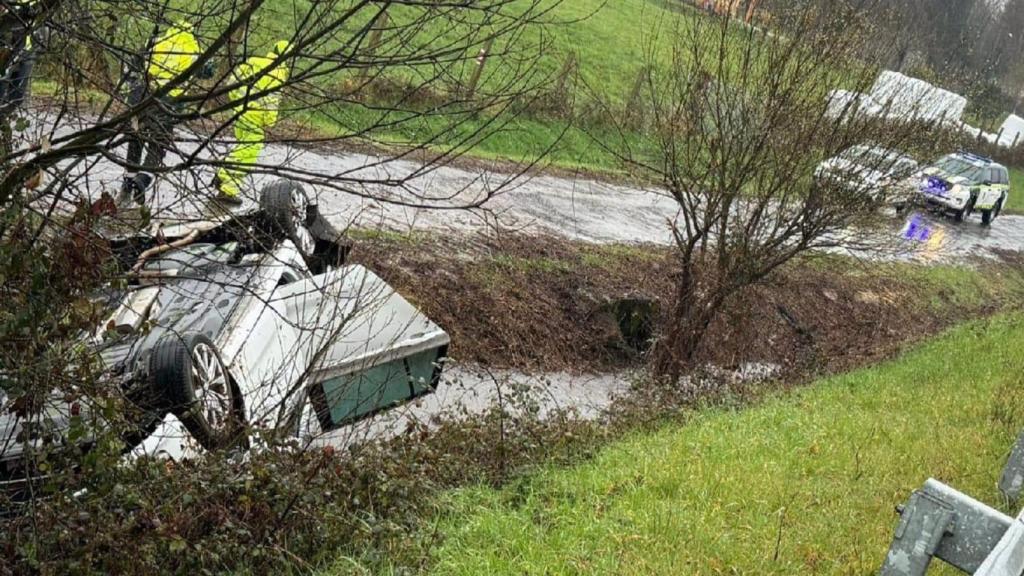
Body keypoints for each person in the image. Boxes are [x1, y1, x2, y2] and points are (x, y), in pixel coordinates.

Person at [121, 20, 209, 205]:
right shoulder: (193, 50)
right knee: (158, 144)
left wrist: (130, 92)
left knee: (135, 139)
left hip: (142, 96)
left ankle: (127, 184)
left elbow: (135, 62)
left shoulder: (155, 41)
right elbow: (207, 71)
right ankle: (142, 179)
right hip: (167, 103)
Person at [213, 40, 291, 205]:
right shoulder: (277, 74)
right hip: (255, 118)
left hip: (239, 112)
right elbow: (272, 100)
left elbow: (231, 83)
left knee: (242, 147)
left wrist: (236, 101)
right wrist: (269, 121)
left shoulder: (254, 61)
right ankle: (227, 188)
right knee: (248, 153)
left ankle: (222, 175)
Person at [0, 0, 39, 116]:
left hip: (27, 48)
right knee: (1, 86)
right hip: (6, 45)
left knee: (17, 97)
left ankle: (3, 120)